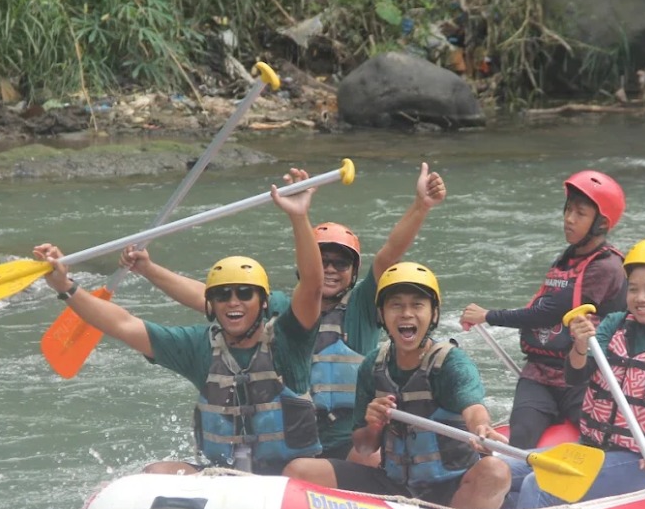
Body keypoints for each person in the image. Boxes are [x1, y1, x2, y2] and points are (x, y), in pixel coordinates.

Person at [121, 164, 447, 460]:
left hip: (348, 440)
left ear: (353, 271)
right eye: (322, 260)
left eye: (341, 263)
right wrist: (150, 270)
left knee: (367, 459)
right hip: (292, 441)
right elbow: (207, 298)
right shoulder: (279, 308)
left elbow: (389, 254)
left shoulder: (362, 308)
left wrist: (420, 206)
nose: (330, 269)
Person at [32, 169, 325, 476]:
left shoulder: (291, 339)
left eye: (244, 294)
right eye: (223, 295)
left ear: (263, 303)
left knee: (303, 469)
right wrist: (66, 287)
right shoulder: (199, 345)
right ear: (211, 305)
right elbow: (123, 325)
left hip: (287, 481)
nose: (233, 301)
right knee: (157, 472)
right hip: (222, 477)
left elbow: (312, 286)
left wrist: (298, 217)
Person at [283, 262, 512, 509]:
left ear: (434, 314)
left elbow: (473, 408)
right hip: (395, 485)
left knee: (496, 472)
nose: (406, 313)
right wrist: (373, 425)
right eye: (396, 305)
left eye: (417, 305)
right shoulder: (373, 364)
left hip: (450, 486)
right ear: (381, 315)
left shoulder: (450, 362)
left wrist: (481, 428)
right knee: (299, 470)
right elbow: (364, 447)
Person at [515, 238, 645, 509]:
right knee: (502, 466)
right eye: (633, 289)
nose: (640, 298)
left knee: (537, 484)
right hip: (590, 449)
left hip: (639, 462)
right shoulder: (616, 324)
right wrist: (580, 345)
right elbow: (577, 377)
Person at [460, 170, 628, 449]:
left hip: (584, 377)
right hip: (539, 374)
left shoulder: (606, 267)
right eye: (568, 210)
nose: (569, 219)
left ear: (601, 223)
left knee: (599, 442)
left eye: (580, 214)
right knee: (521, 438)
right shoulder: (566, 259)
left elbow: (551, 311)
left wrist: (489, 316)